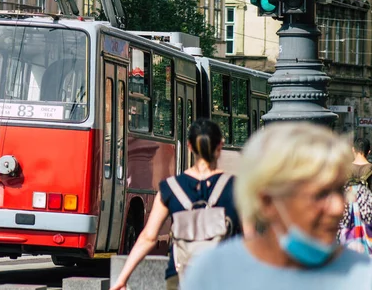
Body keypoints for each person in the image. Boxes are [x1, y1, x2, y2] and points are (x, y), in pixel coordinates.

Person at [181, 122, 372, 290]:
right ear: (267, 201)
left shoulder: (364, 275)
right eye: (320, 194)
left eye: (339, 190)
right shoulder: (213, 274)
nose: (338, 207)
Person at [110, 119, 239, 290]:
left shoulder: (170, 188)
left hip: (180, 278)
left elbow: (148, 237)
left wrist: (122, 278)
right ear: (220, 145)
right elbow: (251, 239)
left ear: (189, 146)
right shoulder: (236, 187)